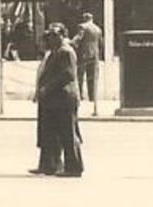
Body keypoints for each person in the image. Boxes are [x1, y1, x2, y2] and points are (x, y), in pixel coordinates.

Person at [30, 24, 84, 178]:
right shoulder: (54, 52)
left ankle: (74, 167)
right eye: (50, 35)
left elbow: (67, 75)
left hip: (64, 98)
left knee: (68, 134)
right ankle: (50, 165)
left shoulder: (66, 52)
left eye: (54, 35)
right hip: (53, 100)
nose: (51, 38)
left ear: (62, 35)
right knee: (50, 134)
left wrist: (48, 88)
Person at [72, 12, 102, 111]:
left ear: (85, 18)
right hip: (95, 55)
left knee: (80, 76)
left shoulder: (82, 27)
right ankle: (92, 97)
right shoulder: (98, 29)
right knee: (92, 77)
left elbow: (78, 38)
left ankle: (80, 95)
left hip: (84, 54)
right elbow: (101, 43)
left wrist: (71, 43)